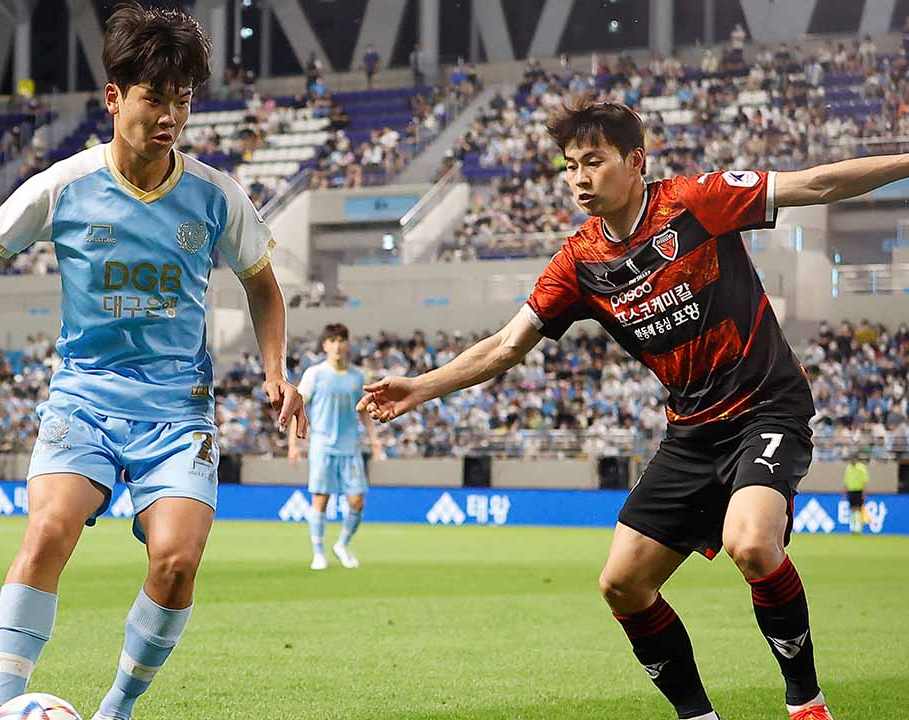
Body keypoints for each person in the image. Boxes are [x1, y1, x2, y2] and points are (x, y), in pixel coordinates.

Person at [360, 98, 909, 720]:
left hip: (766, 408)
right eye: (570, 166)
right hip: (691, 431)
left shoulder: (695, 202)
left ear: (636, 162)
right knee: (622, 584)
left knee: (751, 543)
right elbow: (508, 345)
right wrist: (422, 386)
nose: (579, 178)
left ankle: (807, 703)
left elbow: (817, 183)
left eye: (593, 162)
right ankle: (698, 717)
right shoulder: (579, 262)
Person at [0, 3, 307, 718]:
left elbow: (264, 287)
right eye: (154, 98)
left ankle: (116, 709)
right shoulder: (64, 185)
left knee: (177, 562)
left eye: (182, 100)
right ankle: (2, 710)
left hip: (178, 411)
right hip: (84, 399)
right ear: (114, 98)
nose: (170, 116)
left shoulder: (216, 196)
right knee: (48, 530)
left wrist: (274, 372)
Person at [289, 323, 381, 570]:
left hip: (351, 447)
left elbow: (364, 412)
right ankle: (318, 553)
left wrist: (374, 440)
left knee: (357, 500)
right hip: (322, 446)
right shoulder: (315, 374)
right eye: (332, 341)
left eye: (341, 340)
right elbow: (298, 407)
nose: (337, 345)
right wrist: (293, 445)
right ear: (325, 345)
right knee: (320, 499)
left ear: (347, 344)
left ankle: (342, 544)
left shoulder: (359, 377)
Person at [843, 455, 868, 534]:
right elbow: (846, 481)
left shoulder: (861, 468)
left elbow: (864, 481)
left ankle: (858, 527)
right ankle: (853, 527)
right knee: (853, 508)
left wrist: (864, 492)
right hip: (851, 491)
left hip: (859, 490)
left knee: (858, 508)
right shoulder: (848, 468)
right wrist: (845, 492)